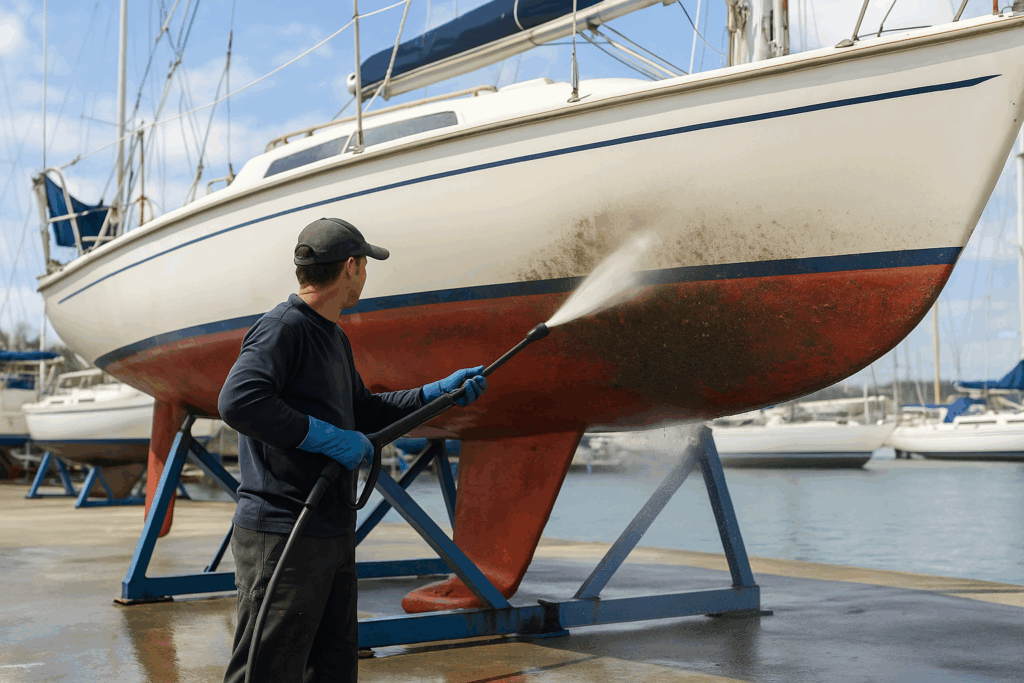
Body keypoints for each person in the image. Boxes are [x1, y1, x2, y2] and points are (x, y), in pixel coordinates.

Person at [218, 217, 487, 683]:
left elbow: (362, 411)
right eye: (365, 265)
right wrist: (330, 439)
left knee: (334, 667)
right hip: (283, 530)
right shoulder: (283, 328)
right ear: (352, 267)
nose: (365, 274)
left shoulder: (334, 337)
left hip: (330, 528)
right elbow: (239, 401)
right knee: (268, 671)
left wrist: (434, 394)